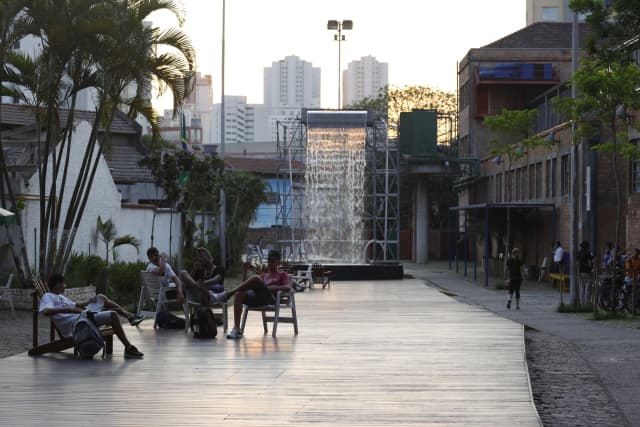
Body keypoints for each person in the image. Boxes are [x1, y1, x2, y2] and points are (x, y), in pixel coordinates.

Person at [39, 273, 144, 358]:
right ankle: (128, 347)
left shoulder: (60, 297)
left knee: (100, 297)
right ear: (58, 284)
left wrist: (89, 301)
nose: (65, 286)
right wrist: (68, 309)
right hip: (78, 324)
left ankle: (129, 317)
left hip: (83, 317)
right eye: (63, 283)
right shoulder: (48, 296)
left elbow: (76, 305)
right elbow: (46, 311)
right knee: (113, 315)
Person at [211, 250, 291, 339]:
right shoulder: (264, 275)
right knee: (239, 294)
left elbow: (287, 287)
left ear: (278, 262)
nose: (269, 263)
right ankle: (236, 329)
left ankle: (227, 294)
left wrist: (271, 288)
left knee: (256, 278)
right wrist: (245, 271)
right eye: (268, 261)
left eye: (272, 261)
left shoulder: (282, 274)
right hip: (257, 299)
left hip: (270, 300)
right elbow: (244, 286)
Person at [578, 241, 595, 306]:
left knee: (582, 287)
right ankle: (587, 302)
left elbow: (577, 262)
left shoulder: (579, 253)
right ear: (587, 247)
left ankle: (582, 302)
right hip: (587, 272)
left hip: (580, 272)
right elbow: (590, 263)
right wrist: (591, 268)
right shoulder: (588, 253)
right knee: (588, 288)